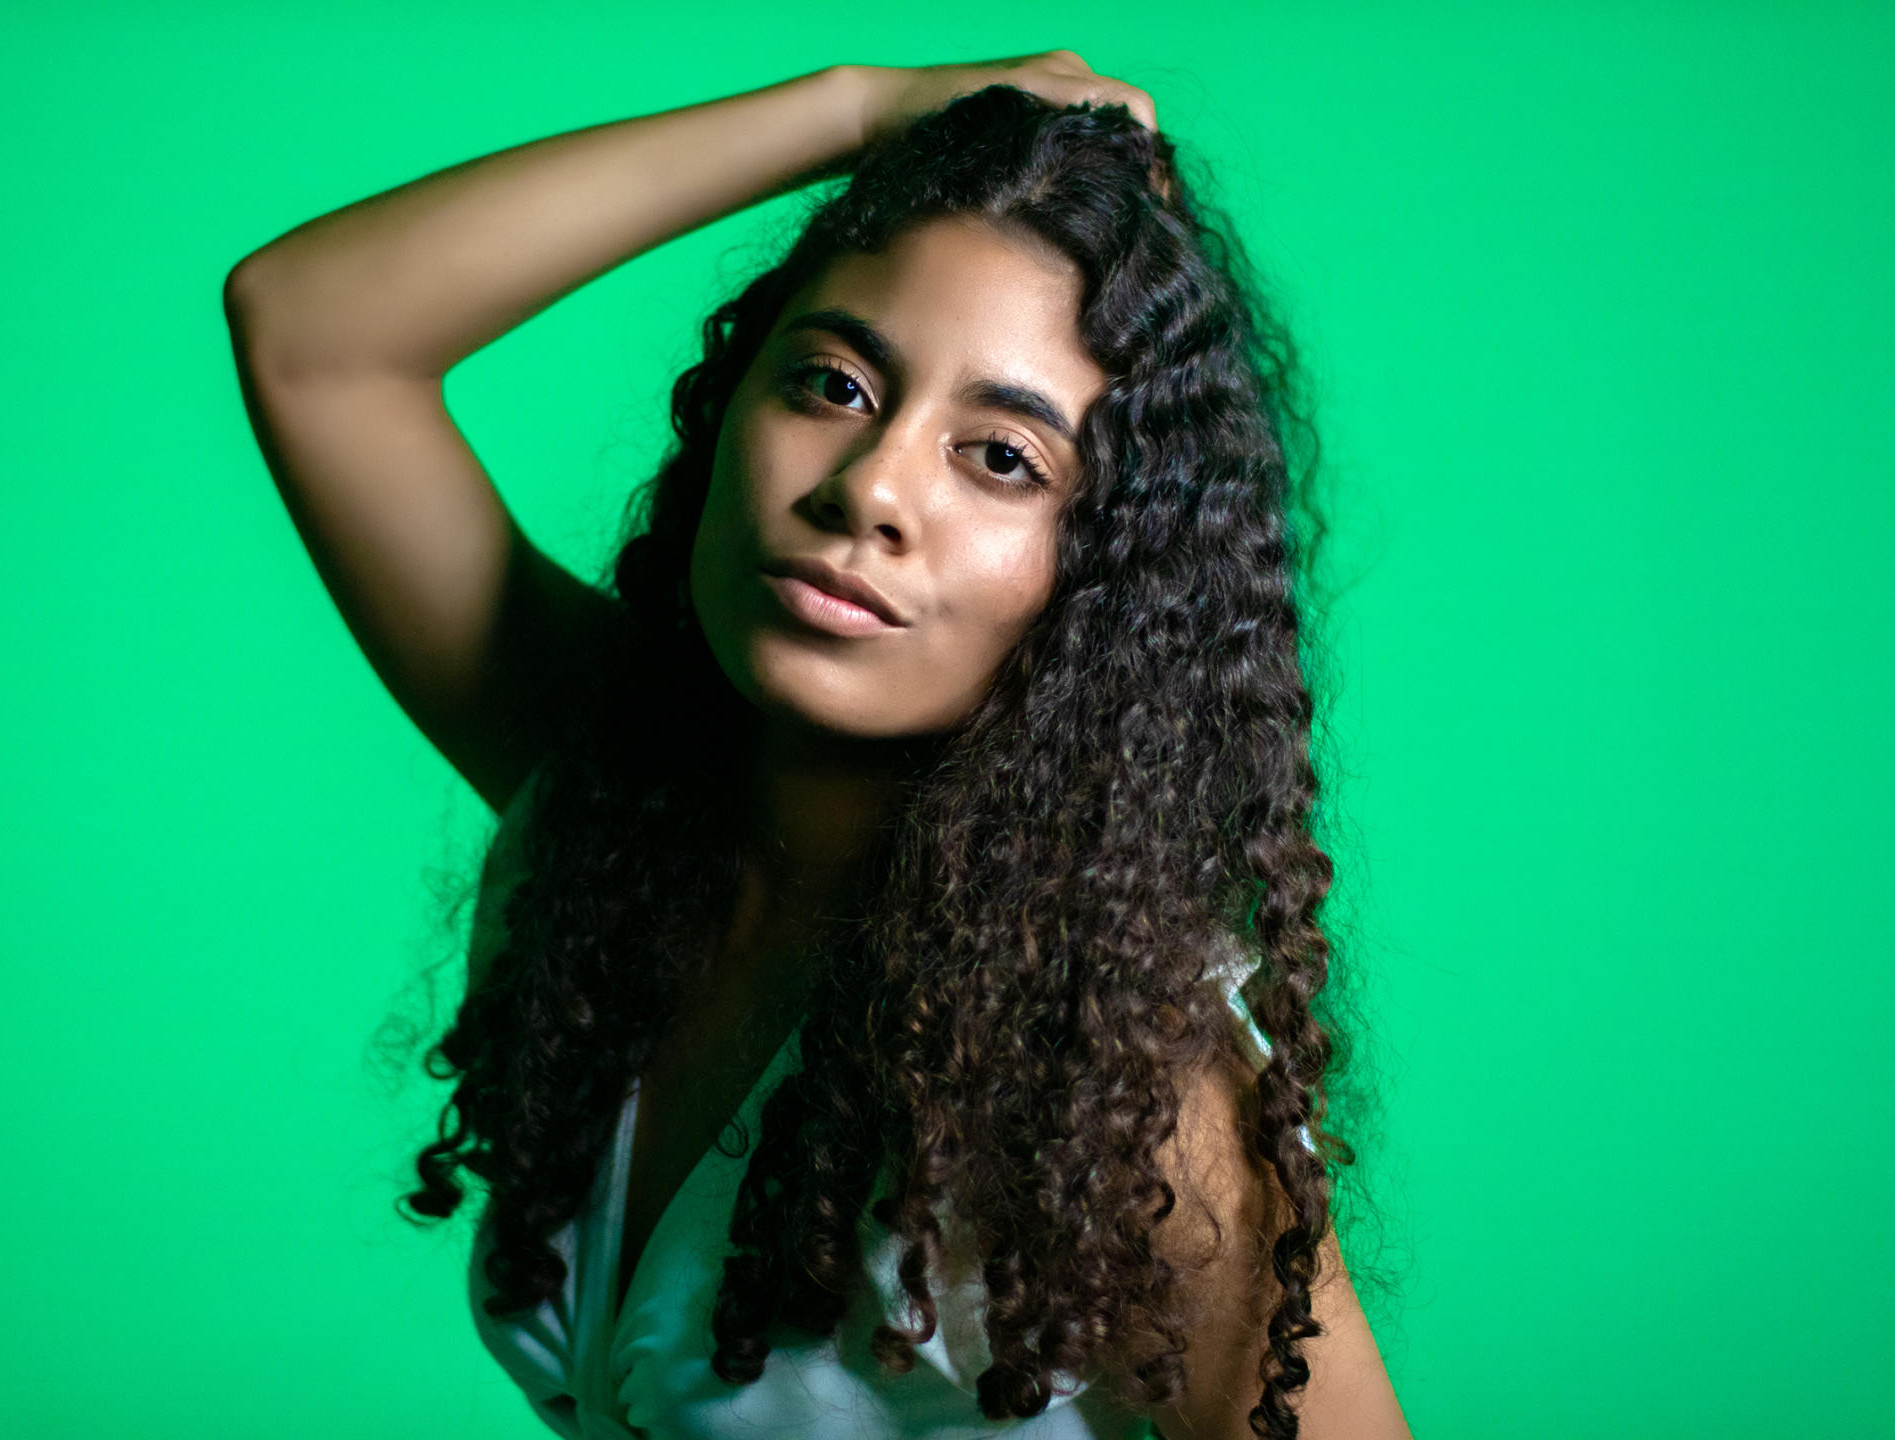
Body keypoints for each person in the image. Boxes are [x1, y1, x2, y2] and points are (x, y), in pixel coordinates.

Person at [223, 52, 1409, 1440]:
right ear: (732, 400)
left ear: (1110, 579)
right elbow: (310, 329)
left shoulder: (1114, 1079)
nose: (872, 487)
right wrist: (856, 111)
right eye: (836, 384)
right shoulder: (608, 795)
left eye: (1003, 457)